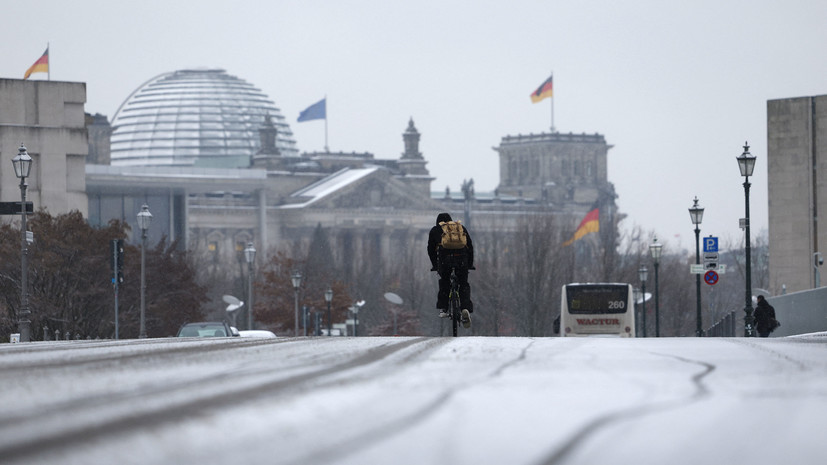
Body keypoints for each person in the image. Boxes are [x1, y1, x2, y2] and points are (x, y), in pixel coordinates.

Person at [427, 212, 474, 328]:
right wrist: (469, 264)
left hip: (445, 260)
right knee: (463, 284)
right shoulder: (460, 228)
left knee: (445, 283)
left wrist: (435, 265)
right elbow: (470, 247)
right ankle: (465, 308)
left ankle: (443, 308)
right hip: (461, 259)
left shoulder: (435, 230)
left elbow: (431, 250)